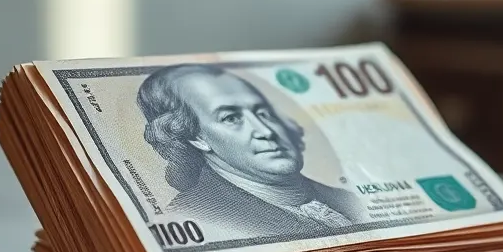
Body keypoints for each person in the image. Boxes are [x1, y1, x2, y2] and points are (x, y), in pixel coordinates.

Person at [137, 64, 364, 240]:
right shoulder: (197, 217)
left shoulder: (351, 200)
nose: (266, 131)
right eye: (231, 118)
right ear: (196, 138)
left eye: (264, 113)